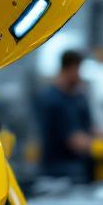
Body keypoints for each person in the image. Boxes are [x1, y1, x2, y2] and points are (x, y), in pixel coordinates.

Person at [35, 50, 96, 182]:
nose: (81, 76)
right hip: (57, 173)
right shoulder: (51, 100)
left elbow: (90, 129)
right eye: (79, 70)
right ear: (69, 69)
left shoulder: (78, 98)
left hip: (79, 170)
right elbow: (74, 142)